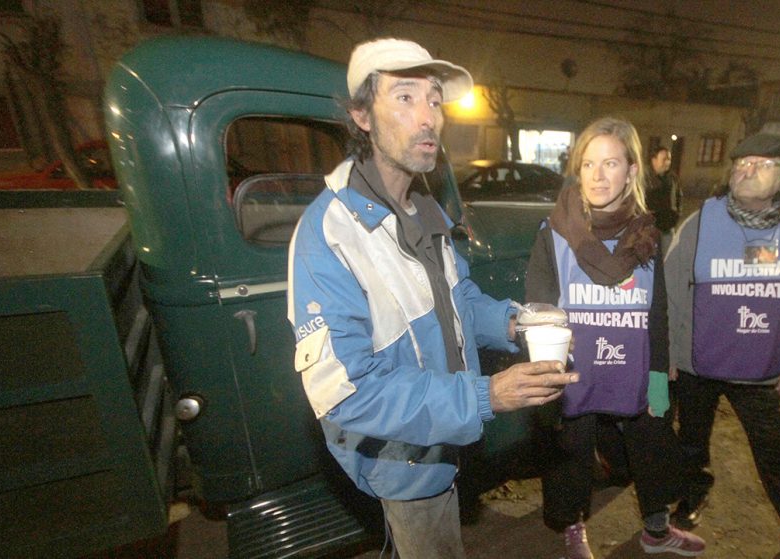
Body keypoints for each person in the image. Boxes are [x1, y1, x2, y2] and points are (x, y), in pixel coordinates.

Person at [286, 38, 579, 559]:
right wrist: (486, 396)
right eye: (405, 97)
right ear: (361, 116)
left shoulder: (422, 207)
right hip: (404, 460)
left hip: (443, 438)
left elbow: (457, 296)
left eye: (435, 100)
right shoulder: (329, 234)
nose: (429, 118)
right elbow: (348, 393)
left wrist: (516, 323)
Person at [525, 116, 706, 558]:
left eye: (610, 163)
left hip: (635, 369)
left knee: (652, 440)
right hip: (574, 374)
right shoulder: (555, 232)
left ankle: (656, 529)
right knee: (571, 452)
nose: (598, 176)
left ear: (631, 171)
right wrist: (544, 370)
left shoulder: (647, 237)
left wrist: (660, 378)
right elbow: (537, 307)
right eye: (588, 164)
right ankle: (573, 527)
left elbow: (657, 311)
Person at [664, 132, 780, 559]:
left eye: (760, 164)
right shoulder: (702, 223)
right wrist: (670, 353)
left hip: (761, 369)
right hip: (698, 362)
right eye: (741, 163)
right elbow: (671, 291)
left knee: (774, 452)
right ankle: (695, 490)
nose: (746, 170)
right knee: (691, 438)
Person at [645, 145, 681, 250]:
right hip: (650, 229)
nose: (667, 162)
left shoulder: (672, 178)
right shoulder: (644, 178)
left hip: (668, 227)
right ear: (654, 160)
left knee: (668, 256)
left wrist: (677, 214)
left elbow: (679, 197)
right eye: (664, 159)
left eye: (669, 159)